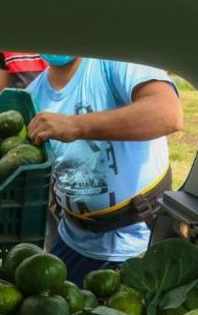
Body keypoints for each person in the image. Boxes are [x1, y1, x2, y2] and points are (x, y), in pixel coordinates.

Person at [26, 54, 183, 284]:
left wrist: (75, 125)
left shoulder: (114, 60)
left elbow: (168, 113)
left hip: (138, 242)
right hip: (72, 238)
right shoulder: (32, 95)